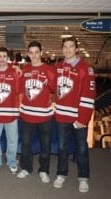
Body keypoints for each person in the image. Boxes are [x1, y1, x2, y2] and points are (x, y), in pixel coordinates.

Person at [53, 36, 96, 193]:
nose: (67, 49)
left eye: (71, 46)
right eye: (65, 47)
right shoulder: (58, 67)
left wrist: (83, 119)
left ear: (76, 49)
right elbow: (49, 86)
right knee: (62, 147)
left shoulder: (86, 68)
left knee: (81, 149)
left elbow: (88, 95)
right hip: (62, 117)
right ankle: (61, 174)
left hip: (78, 118)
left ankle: (83, 178)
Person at [17, 41, 56, 183]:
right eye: (31, 52)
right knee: (26, 144)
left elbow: (55, 90)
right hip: (27, 114)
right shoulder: (25, 70)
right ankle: (26, 168)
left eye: (36, 52)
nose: (34, 55)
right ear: (28, 54)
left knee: (45, 144)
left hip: (44, 115)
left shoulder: (50, 70)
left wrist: (51, 101)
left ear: (41, 53)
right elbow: (20, 91)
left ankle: (44, 170)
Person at [0, 47, 20, 174]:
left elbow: (18, 92)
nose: (2, 59)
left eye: (4, 56)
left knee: (12, 141)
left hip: (11, 113)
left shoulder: (14, 73)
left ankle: (12, 161)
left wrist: (14, 66)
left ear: (7, 58)